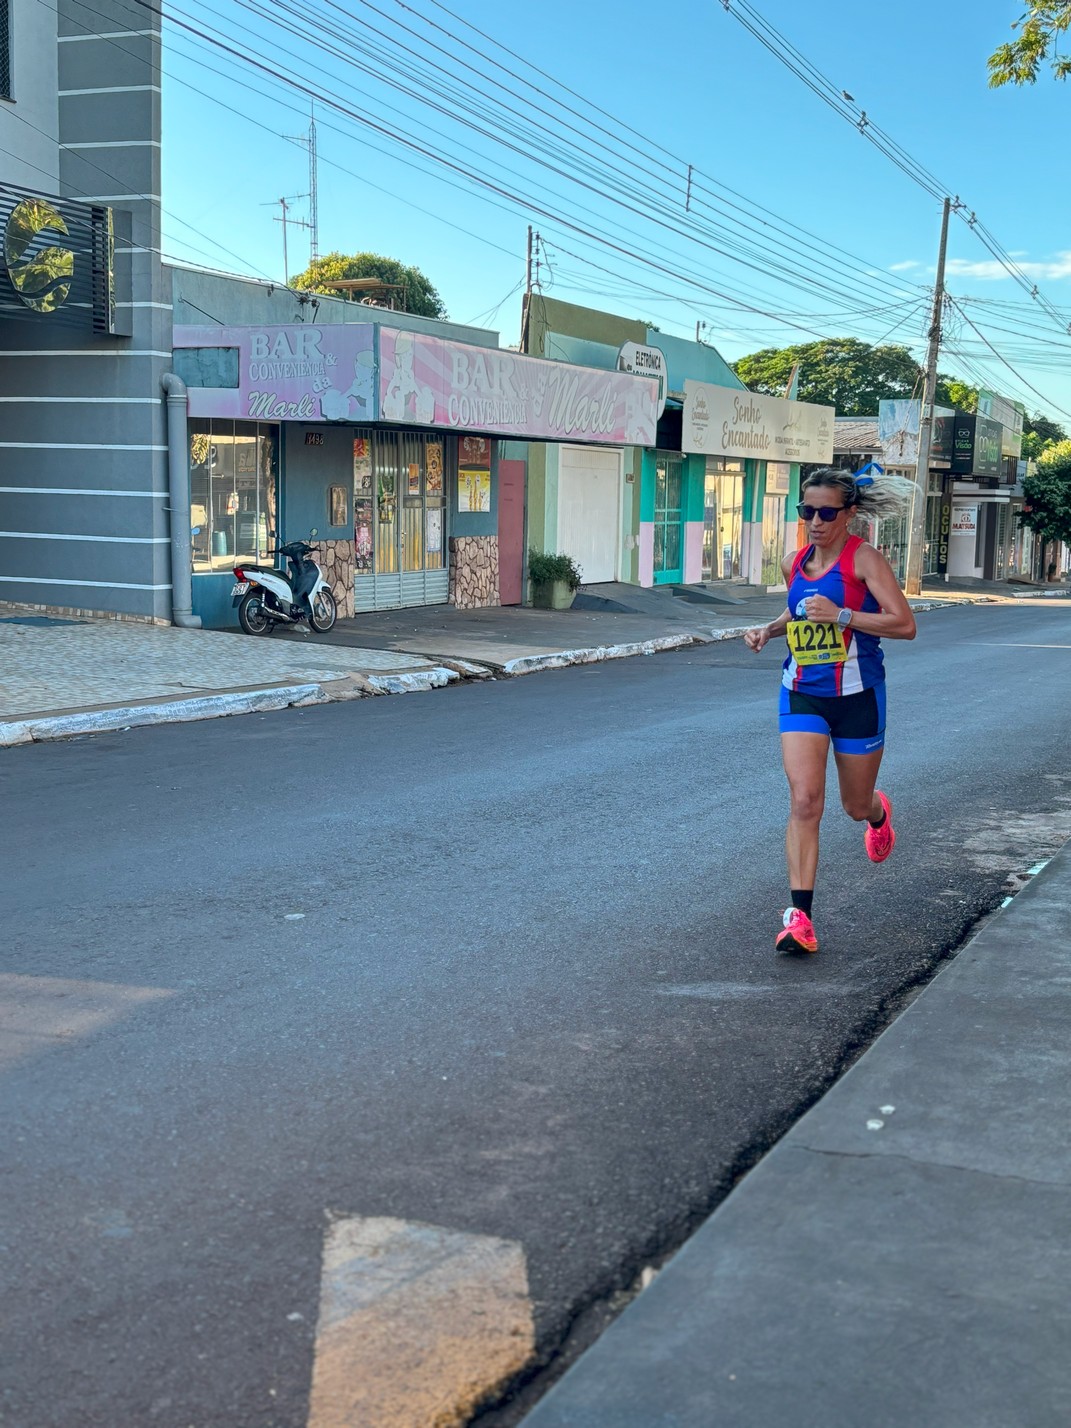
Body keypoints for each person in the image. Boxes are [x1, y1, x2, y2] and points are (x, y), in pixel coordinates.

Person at [744, 467, 918, 954]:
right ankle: (799, 917)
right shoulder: (793, 562)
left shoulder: (865, 561)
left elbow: (904, 625)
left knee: (853, 805)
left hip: (859, 696)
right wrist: (769, 630)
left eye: (826, 512)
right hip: (802, 691)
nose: (815, 521)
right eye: (807, 511)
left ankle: (879, 813)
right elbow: (797, 611)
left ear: (849, 514)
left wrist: (843, 615)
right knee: (804, 801)